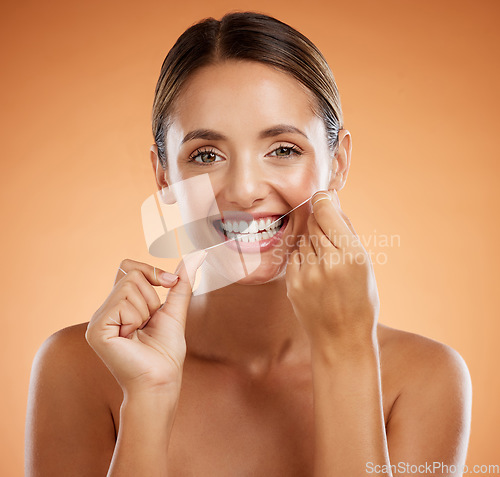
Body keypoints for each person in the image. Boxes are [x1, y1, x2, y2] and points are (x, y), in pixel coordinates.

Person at [25, 11, 472, 477]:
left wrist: (347, 353)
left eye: (283, 149)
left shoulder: (424, 380)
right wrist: (148, 400)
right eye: (207, 155)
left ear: (338, 163)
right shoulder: (79, 368)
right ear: (163, 176)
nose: (242, 190)